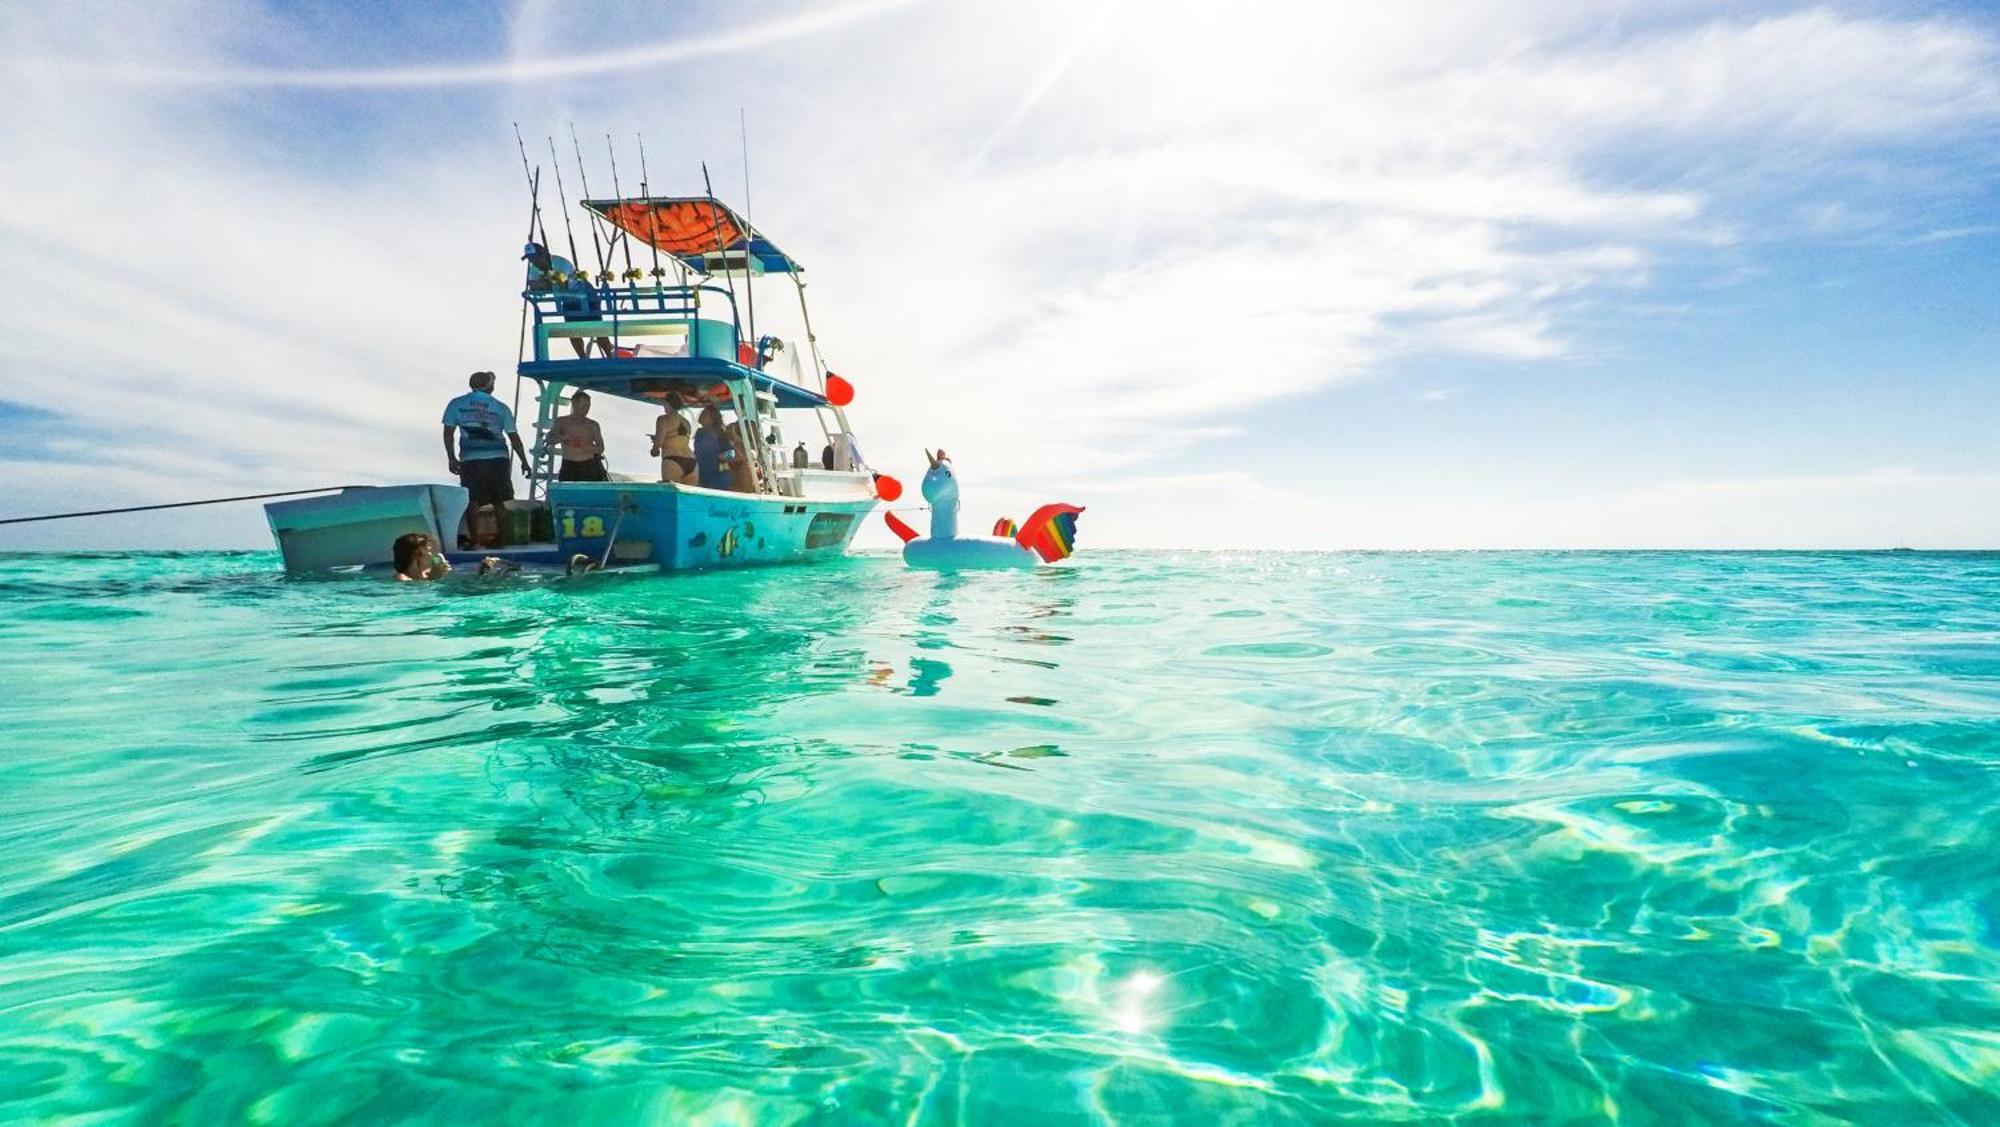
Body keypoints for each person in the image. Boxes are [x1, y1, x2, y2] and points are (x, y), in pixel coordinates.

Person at [442, 371, 530, 548]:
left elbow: (448, 433)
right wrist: (524, 461)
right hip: (498, 459)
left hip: (471, 459)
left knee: (472, 500)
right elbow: (514, 437)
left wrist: (451, 457)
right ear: (490, 387)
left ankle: (474, 540)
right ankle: (502, 540)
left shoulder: (456, 404)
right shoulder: (500, 407)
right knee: (499, 501)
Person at [522, 242, 611, 359]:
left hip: (587, 296)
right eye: (530, 259)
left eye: (535, 258)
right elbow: (533, 285)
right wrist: (547, 283)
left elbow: (563, 285)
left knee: (597, 328)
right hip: (569, 300)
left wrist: (544, 283)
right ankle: (583, 359)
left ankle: (610, 356)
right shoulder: (534, 268)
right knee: (572, 331)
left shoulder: (561, 264)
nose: (533, 262)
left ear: (543, 254)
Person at [546, 391, 607, 481]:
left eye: (588, 406)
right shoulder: (562, 422)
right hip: (568, 465)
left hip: (588, 466)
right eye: (584, 406)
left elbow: (601, 448)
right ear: (574, 404)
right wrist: (565, 437)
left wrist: (589, 448)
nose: (586, 409)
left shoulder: (593, 425)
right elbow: (549, 439)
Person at [651, 391, 696, 484]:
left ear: (667, 403)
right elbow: (679, 438)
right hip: (692, 461)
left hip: (673, 460)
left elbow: (659, 441)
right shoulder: (686, 422)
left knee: (670, 495)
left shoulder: (663, 419)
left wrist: (654, 450)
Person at [693, 405, 733, 490]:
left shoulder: (719, 433)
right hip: (700, 473)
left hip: (717, 475)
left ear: (712, 419)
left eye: (705, 414)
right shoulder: (699, 432)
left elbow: (732, 452)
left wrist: (724, 456)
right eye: (702, 413)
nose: (701, 415)